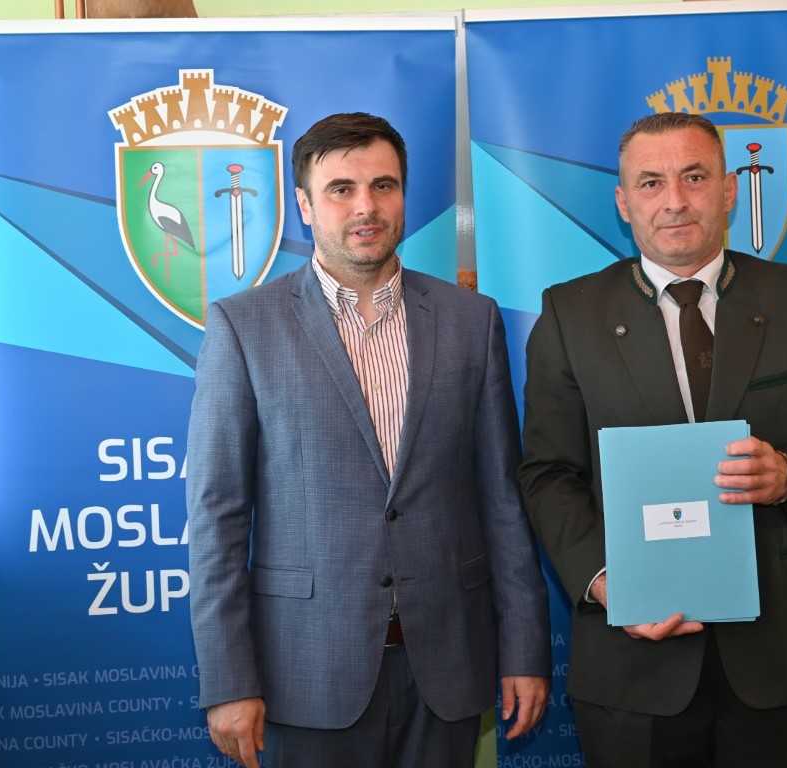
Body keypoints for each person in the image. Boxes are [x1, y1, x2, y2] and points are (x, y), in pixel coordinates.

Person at [187, 112, 551, 768]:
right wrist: (229, 680)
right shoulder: (244, 327)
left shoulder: (471, 320)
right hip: (306, 671)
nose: (366, 206)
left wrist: (524, 650)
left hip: (448, 664)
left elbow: (502, 500)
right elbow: (217, 518)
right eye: (341, 189)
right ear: (304, 206)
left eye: (384, 185)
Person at [517, 112, 787, 767]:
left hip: (778, 657)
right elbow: (548, 472)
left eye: (694, 177)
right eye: (651, 183)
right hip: (634, 665)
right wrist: (605, 582)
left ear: (729, 189)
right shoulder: (570, 315)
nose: (675, 201)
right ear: (623, 202)